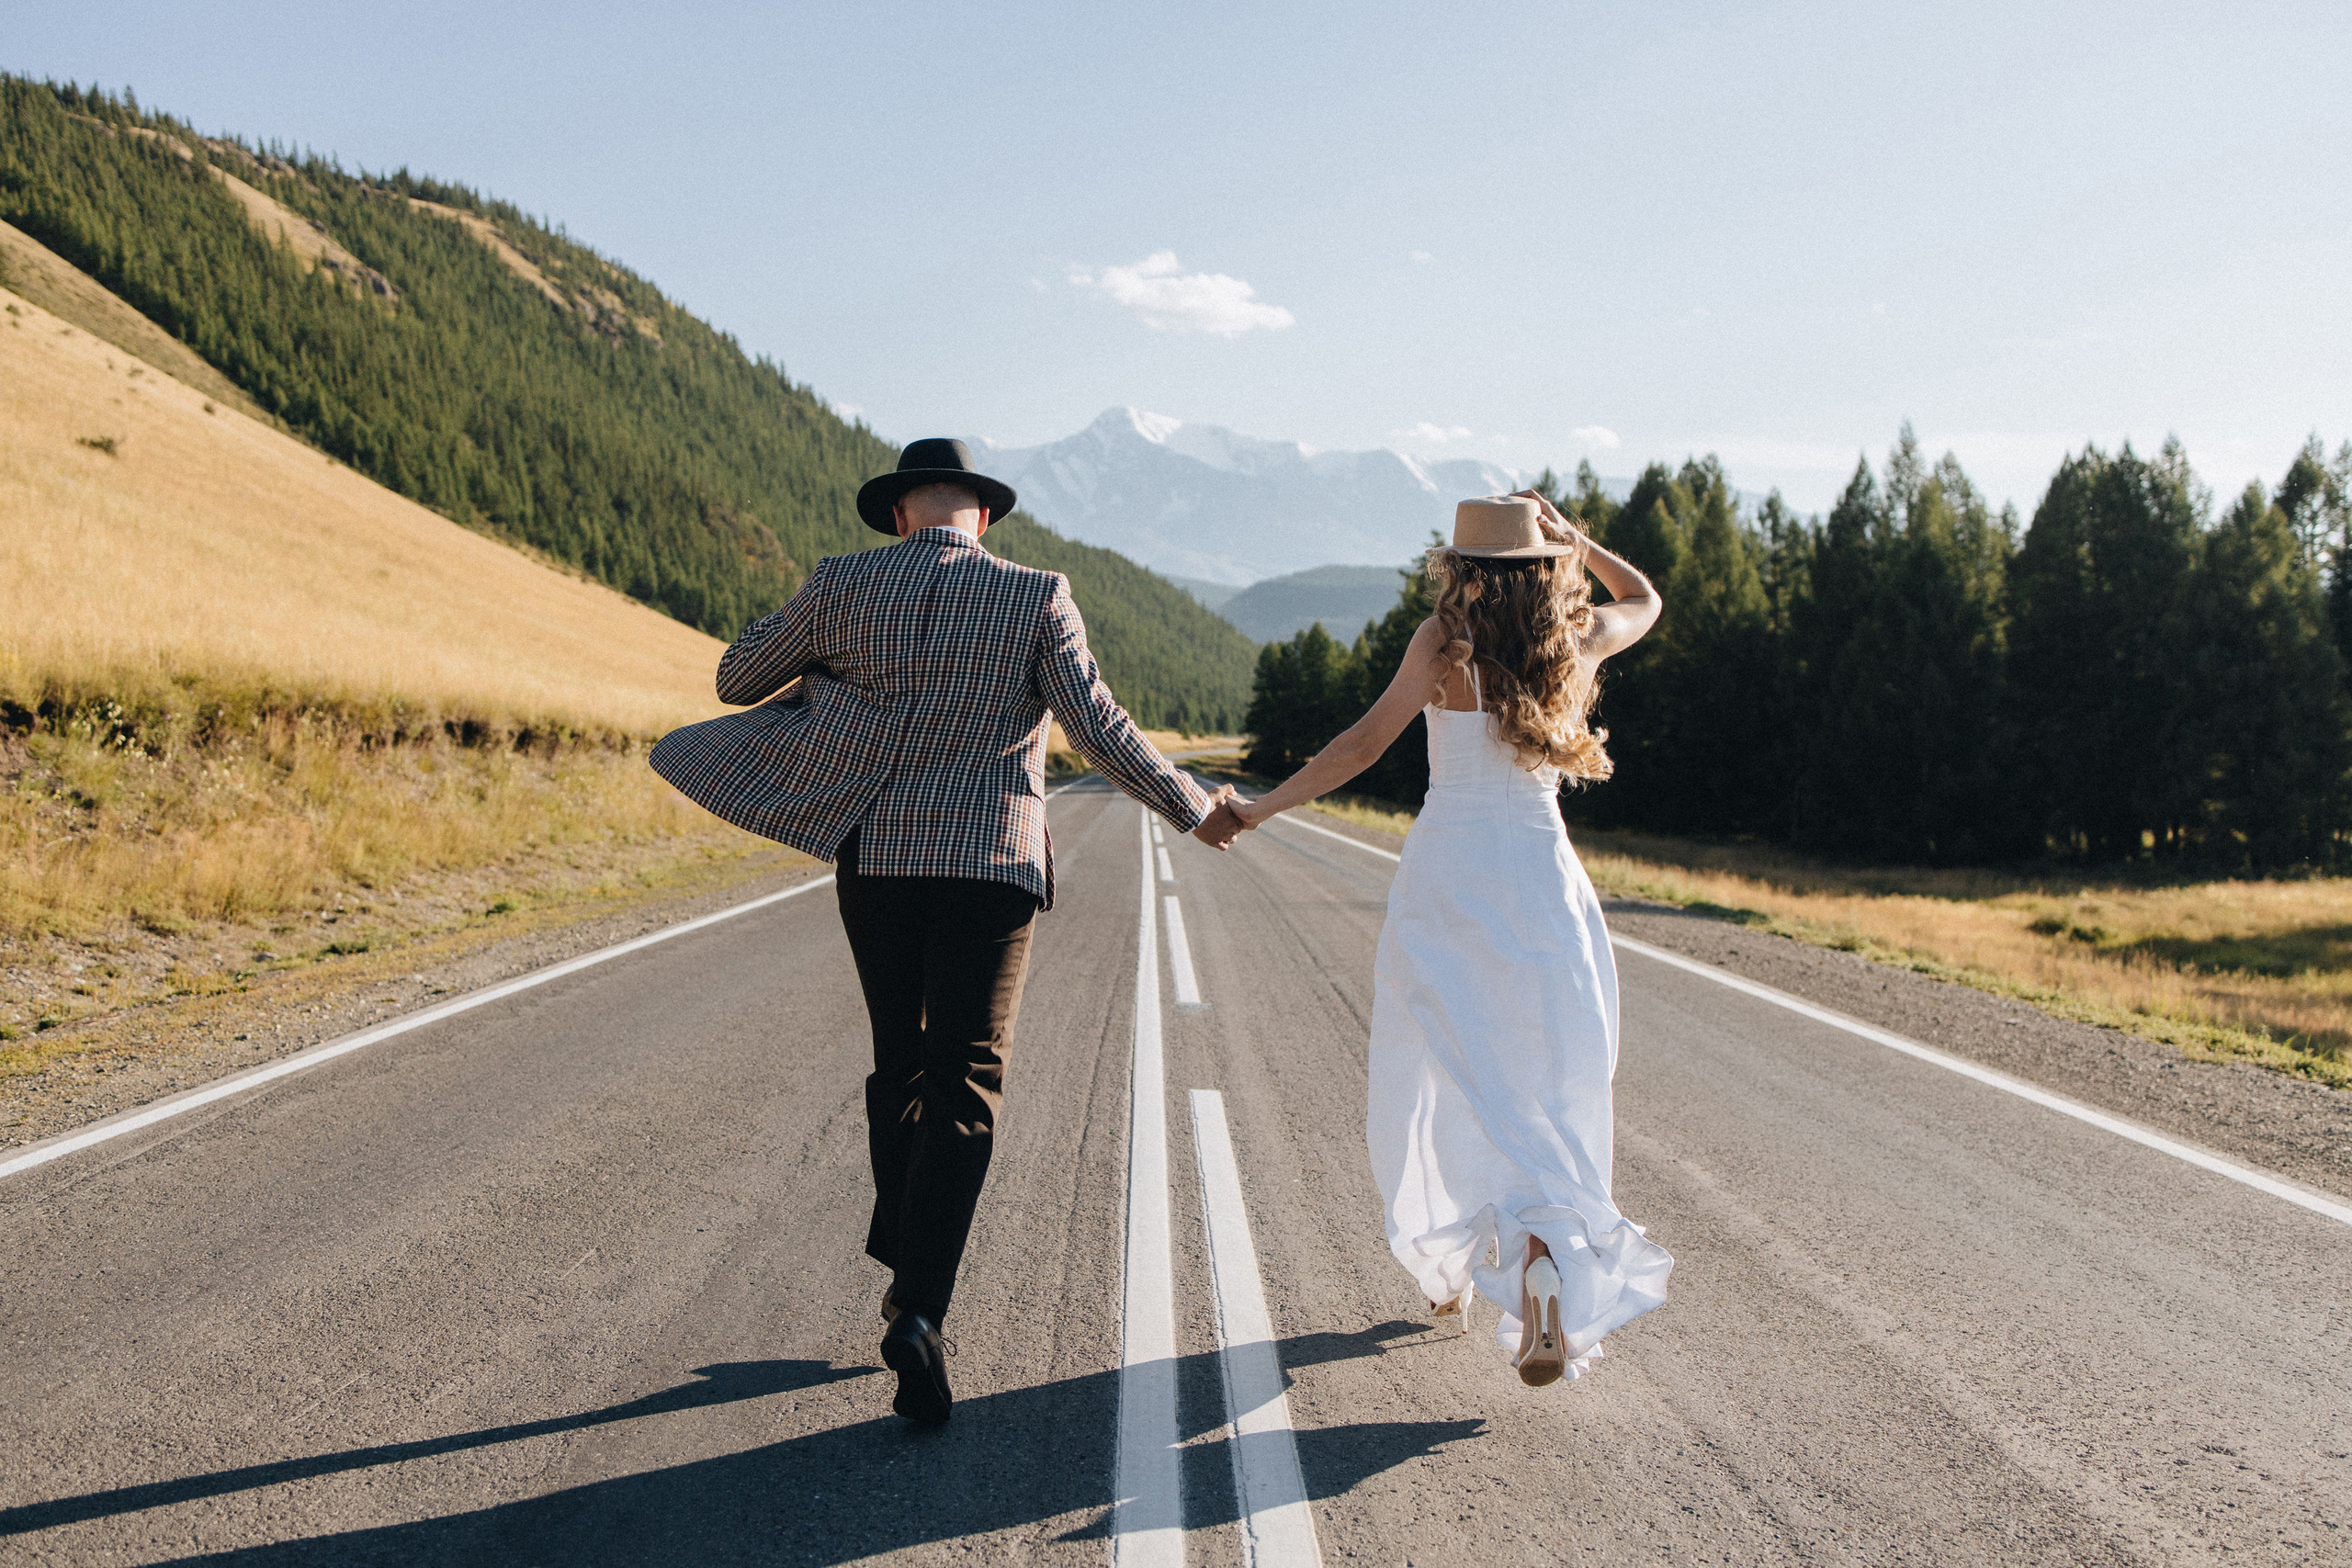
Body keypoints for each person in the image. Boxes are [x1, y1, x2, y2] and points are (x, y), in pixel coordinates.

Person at [650, 438, 1246, 1427]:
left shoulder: (840, 585)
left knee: (901, 1060)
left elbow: (735, 678)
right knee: (967, 1070)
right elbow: (1097, 726)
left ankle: (904, 1253)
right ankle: (919, 1305)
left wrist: (819, 653)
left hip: (876, 855)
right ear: (983, 516)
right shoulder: (1036, 594)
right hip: (988, 863)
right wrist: (1193, 808)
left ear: (898, 514)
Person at [1228, 490, 1673, 1385]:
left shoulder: (1442, 644)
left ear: (1459, 568)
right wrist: (1575, 543)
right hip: (1539, 875)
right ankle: (1541, 1264)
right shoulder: (1573, 641)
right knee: (1541, 1082)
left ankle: (1448, 1274)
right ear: (1542, 564)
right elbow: (1646, 601)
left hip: (1449, 873)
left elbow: (1360, 745)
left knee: (1435, 1069)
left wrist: (1258, 807)